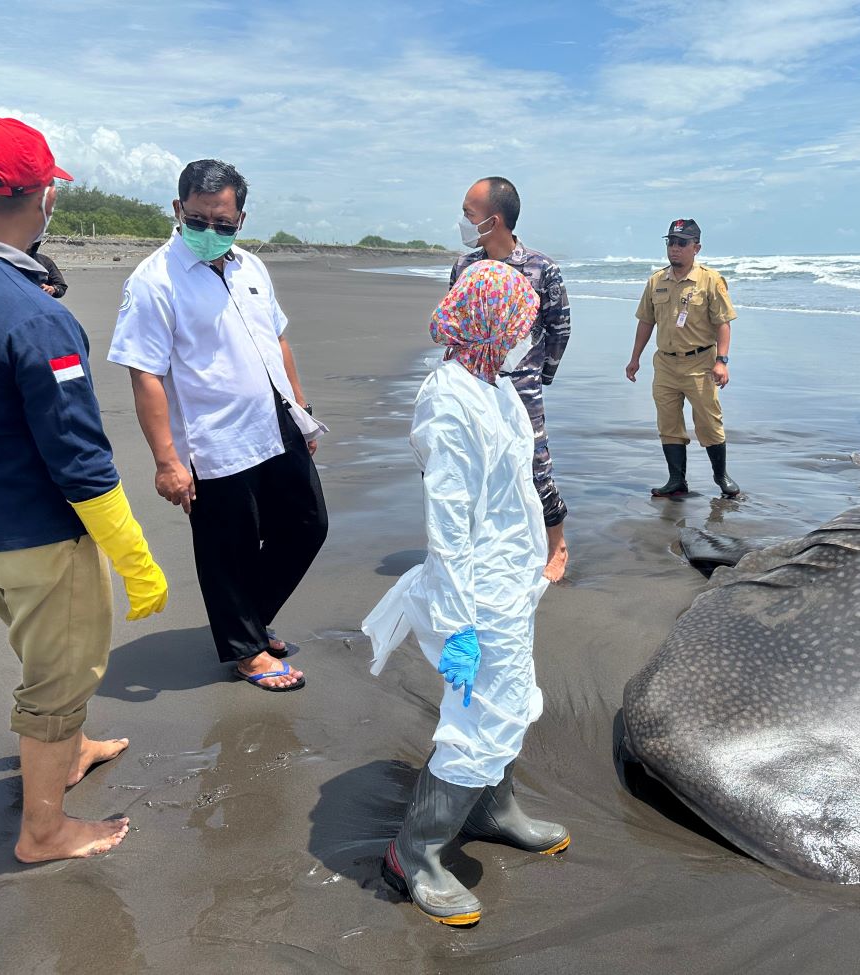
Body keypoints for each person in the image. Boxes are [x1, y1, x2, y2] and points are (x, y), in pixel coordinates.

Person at [0, 117, 168, 863]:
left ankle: (73, 744)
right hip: (32, 531)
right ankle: (45, 829)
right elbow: (82, 464)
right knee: (63, 668)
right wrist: (135, 559)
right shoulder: (37, 317)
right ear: (40, 193)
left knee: (38, 647)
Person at [362, 261, 569, 928]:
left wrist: (537, 564)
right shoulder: (449, 399)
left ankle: (492, 807)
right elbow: (448, 524)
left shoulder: (495, 384)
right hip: (474, 594)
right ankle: (412, 852)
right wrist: (459, 625)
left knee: (512, 703)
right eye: (518, 317)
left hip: (511, 583)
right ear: (491, 321)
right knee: (484, 718)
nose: (524, 328)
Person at [108, 159, 327, 691]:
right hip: (211, 437)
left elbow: (277, 340)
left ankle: (244, 622)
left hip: (274, 420)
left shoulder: (252, 268)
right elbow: (146, 375)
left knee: (306, 524)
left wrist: (301, 410)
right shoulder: (154, 281)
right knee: (227, 545)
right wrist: (167, 462)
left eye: (223, 224)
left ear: (241, 219)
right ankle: (247, 650)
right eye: (199, 221)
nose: (211, 233)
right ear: (178, 210)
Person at [450, 177, 572, 581]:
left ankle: (556, 543)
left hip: (522, 388)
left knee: (536, 466)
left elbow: (560, 328)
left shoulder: (541, 269)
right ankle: (486, 542)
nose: (463, 221)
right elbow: (455, 325)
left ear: (494, 220)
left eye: (469, 213)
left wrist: (540, 375)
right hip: (473, 387)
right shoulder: (466, 267)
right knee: (474, 465)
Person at [625, 218, 740, 498]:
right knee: (668, 422)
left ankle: (721, 477)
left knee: (708, 421)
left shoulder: (710, 281)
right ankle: (676, 480)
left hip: (700, 363)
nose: (675, 248)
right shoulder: (656, 281)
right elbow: (645, 322)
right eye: (671, 242)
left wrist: (721, 361)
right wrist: (635, 358)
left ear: (696, 247)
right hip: (665, 363)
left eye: (682, 243)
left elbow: (723, 323)